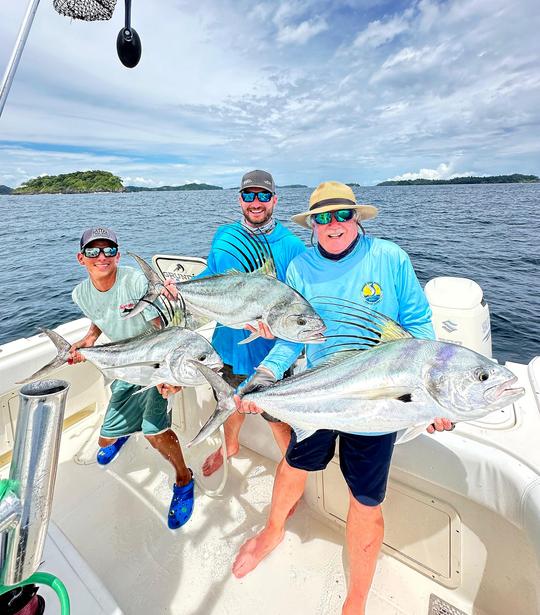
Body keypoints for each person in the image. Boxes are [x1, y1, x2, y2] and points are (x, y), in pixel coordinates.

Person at [231, 182, 454, 615]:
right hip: (317, 390)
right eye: (322, 218)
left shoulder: (389, 258)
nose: (333, 225)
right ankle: (274, 529)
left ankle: (357, 598)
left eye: (342, 215)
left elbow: (419, 327)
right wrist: (265, 375)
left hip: (377, 399)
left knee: (366, 499)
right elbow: (292, 338)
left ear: (357, 218)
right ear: (311, 225)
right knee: (294, 464)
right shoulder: (299, 267)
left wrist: (435, 396)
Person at [69, 226, 195, 530]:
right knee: (105, 438)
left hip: (153, 364)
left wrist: (169, 374)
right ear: (80, 258)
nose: (102, 257)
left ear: (118, 254)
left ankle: (184, 478)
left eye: (109, 250)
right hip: (125, 366)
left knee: (155, 433)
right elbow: (100, 315)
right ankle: (127, 426)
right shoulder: (80, 294)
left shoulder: (135, 281)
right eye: (93, 251)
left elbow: (163, 328)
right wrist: (89, 338)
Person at [197, 170, 306, 477]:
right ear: (240, 199)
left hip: (270, 355)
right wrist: (177, 290)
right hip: (227, 345)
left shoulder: (292, 246)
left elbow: (298, 304)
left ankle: (292, 472)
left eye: (262, 196)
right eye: (249, 195)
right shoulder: (224, 235)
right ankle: (229, 446)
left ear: (274, 200)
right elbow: (210, 277)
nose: (255, 202)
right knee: (229, 402)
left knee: (278, 421)